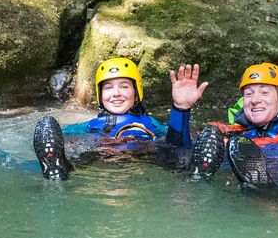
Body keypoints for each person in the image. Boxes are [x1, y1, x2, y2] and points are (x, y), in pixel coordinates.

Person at [32, 58, 208, 179]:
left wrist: (181, 108)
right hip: (99, 154)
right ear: (100, 95)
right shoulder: (90, 126)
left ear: (136, 92)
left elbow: (178, 144)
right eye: (108, 88)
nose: (116, 94)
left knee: (176, 153)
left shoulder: (151, 124)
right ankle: (58, 167)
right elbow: (59, 136)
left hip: (144, 156)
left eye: (124, 86)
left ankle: (196, 171)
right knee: (80, 153)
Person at [183, 62, 278, 180]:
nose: (255, 100)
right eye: (248, 94)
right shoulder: (231, 135)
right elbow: (175, 149)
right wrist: (181, 109)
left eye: (264, 92)